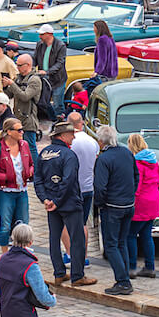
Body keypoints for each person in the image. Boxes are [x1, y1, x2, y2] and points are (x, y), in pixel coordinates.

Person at [35, 121, 96, 286]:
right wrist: (57, 200)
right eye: (71, 134)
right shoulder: (69, 155)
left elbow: (38, 179)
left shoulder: (44, 153)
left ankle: (59, 273)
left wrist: (45, 199)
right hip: (69, 203)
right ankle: (77, 275)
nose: (74, 136)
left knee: (54, 239)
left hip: (52, 204)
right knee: (77, 239)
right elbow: (68, 181)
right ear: (62, 136)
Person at [93, 125, 138, 296]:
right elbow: (136, 175)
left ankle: (123, 281)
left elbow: (100, 186)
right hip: (128, 205)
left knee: (111, 245)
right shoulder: (126, 152)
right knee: (121, 242)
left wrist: (100, 204)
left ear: (101, 141)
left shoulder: (104, 159)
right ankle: (124, 276)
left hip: (112, 207)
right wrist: (130, 194)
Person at [0, 116, 34, 252]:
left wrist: (30, 171)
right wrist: (5, 177)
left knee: (24, 223)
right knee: (5, 225)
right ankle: (5, 254)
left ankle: (22, 251)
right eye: (19, 130)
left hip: (22, 190)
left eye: (22, 130)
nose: (22, 132)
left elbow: (31, 164)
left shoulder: (24, 145)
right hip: (6, 191)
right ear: (9, 132)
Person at [63, 111, 97, 267]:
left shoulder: (70, 142)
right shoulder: (92, 141)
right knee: (83, 223)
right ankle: (83, 256)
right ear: (81, 123)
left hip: (72, 188)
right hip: (88, 186)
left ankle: (70, 254)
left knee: (65, 222)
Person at [127, 133, 159, 278]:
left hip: (142, 202)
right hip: (154, 199)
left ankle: (131, 267)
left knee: (131, 235)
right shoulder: (153, 161)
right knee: (147, 235)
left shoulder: (138, 163)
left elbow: (137, 186)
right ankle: (149, 266)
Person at [4, 55, 42, 163]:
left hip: (28, 119)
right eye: (17, 65)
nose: (18, 68)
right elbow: (10, 95)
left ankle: (35, 171)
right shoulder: (19, 78)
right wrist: (7, 86)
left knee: (30, 147)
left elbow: (25, 96)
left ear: (28, 65)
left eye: (20, 65)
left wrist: (12, 84)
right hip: (18, 118)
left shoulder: (34, 80)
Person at [32, 25, 67, 118]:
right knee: (44, 102)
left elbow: (60, 63)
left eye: (42, 34)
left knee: (57, 103)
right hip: (44, 79)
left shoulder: (60, 46)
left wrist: (47, 72)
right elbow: (34, 58)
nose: (40, 36)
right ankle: (52, 118)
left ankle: (60, 120)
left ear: (49, 34)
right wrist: (31, 68)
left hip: (57, 80)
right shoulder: (40, 44)